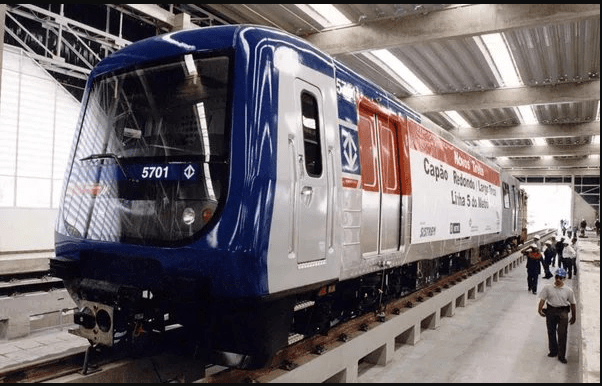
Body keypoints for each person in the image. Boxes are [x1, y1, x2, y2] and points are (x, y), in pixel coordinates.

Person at [537, 268, 576, 364]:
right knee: (551, 331)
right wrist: (539, 309)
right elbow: (543, 299)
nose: (558, 280)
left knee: (562, 333)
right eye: (557, 277)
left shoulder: (568, 291)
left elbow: (572, 303)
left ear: (564, 279)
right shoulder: (548, 288)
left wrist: (574, 316)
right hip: (551, 310)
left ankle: (561, 355)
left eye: (560, 278)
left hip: (563, 312)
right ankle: (553, 351)